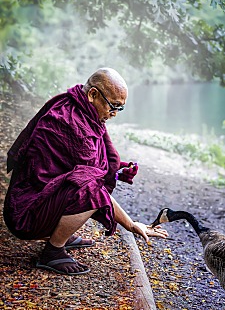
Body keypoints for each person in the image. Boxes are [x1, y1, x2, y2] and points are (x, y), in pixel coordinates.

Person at [3, 67, 168, 275]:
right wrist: (132, 224)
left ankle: (60, 231)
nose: (115, 114)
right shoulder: (73, 124)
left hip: (37, 199)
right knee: (90, 189)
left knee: (90, 182)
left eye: (120, 108)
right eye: (113, 106)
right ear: (92, 95)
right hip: (26, 213)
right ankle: (53, 252)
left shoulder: (76, 106)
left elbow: (76, 165)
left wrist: (115, 170)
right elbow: (94, 185)